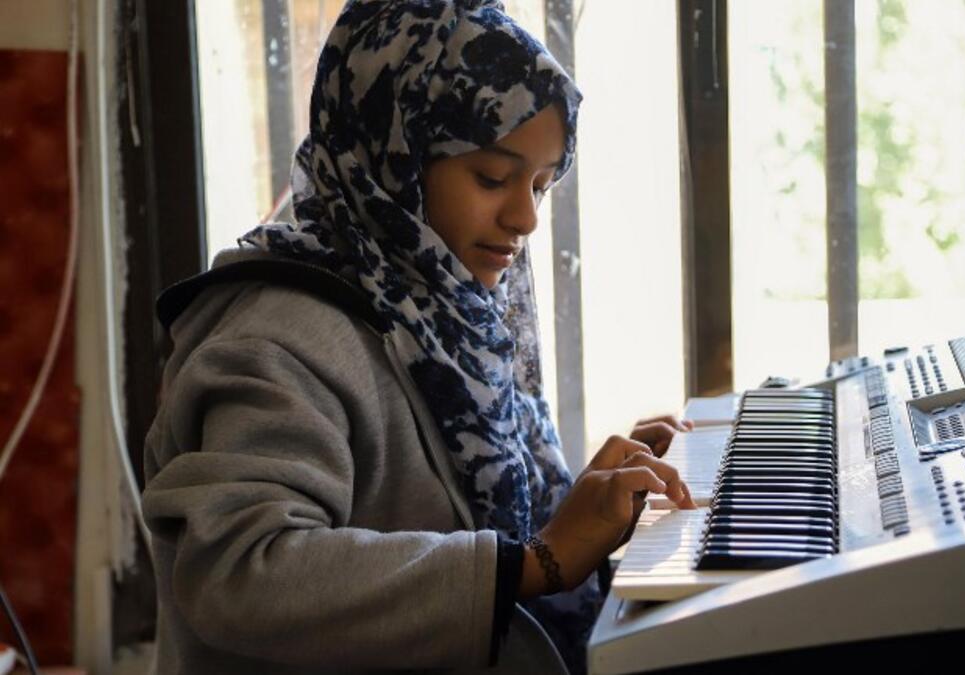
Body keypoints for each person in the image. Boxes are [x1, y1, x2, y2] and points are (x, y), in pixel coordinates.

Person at [141, 1, 694, 674]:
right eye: (492, 177)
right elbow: (240, 572)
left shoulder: (437, 313)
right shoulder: (276, 338)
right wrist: (532, 562)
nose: (524, 218)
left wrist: (590, 500)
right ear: (394, 153)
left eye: (542, 186)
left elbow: (452, 514)